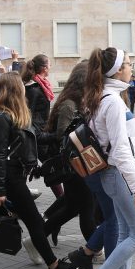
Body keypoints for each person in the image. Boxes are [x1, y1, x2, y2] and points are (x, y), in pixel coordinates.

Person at [0, 72, 77, 269]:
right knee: (34, 221)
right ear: (14, 90)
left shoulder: (17, 115)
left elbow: (37, 136)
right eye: (21, 85)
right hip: (11, 178)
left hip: (16, 176)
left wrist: (62, 135)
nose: (25, 88)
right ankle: (54, 266)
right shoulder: (1, 118)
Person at [76, 48, 135, 269]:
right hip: (120, 174)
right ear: (118, 70)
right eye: (129, 64)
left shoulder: (104, 97)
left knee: (125, 233)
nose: (131, 68)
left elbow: (113, 139)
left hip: (112, 174)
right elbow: (120, 151)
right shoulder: (112, 101)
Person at [43, 63, 97, 244]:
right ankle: (94, 250)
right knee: (86, 206)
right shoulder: (69, 105)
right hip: (73, 165)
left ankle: (40, 235)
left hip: (80, 164)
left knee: (73, 207)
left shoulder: (81, 103)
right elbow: (62, 136)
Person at [22, 54, 61, 199]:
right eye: (49, 64)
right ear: (44, 68)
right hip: (37, 134)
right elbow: (27, 113)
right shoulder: (33, 88)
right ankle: (62, 198)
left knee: (49, 166)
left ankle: (62, 198)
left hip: (42, 130)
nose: (50, 67)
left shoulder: (42, 85)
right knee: (49, 166)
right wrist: (35, 133)